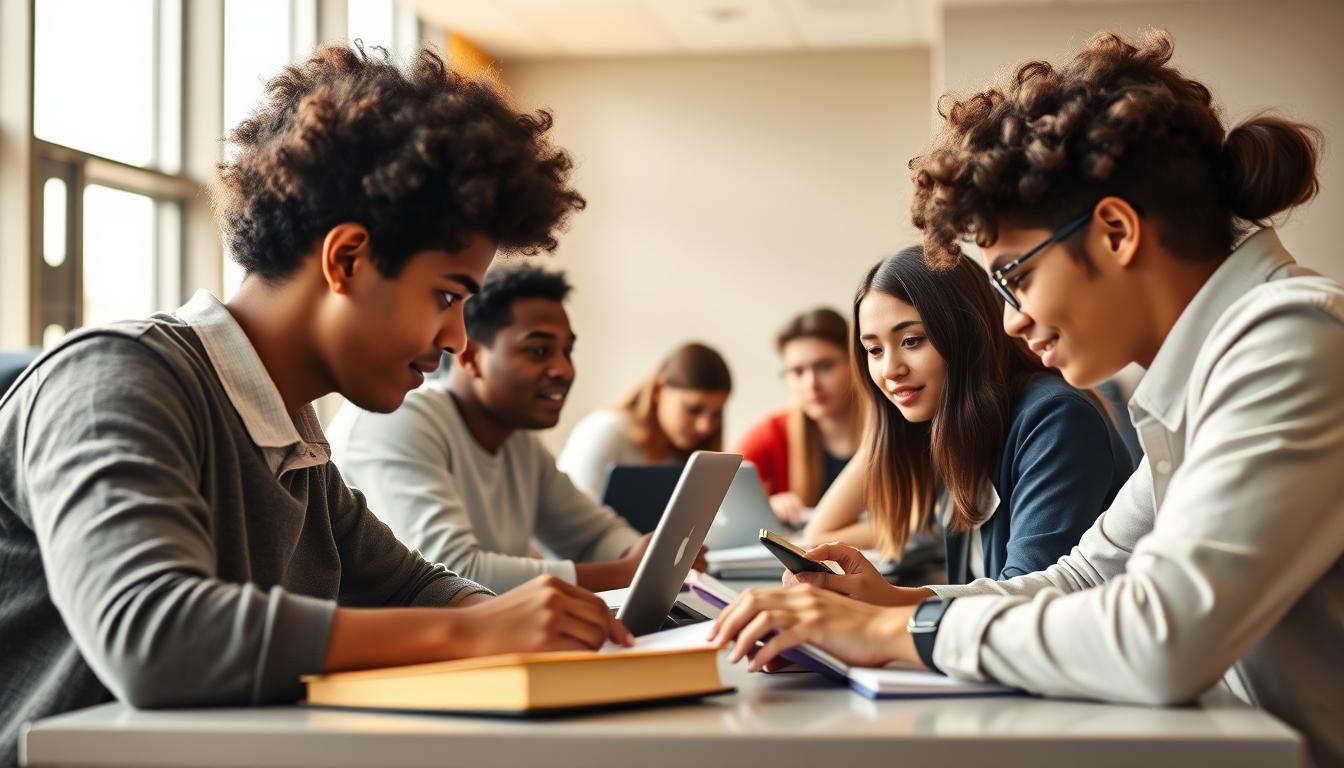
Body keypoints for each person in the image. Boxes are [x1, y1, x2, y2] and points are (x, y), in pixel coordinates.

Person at [710, 30, 1343, 768]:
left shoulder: (1291, 340)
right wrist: (892, 603)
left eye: (1015, 275)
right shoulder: (1204, 373)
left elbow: (1161, 638)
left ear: (1114, 231)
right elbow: (1081, 577)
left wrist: (892, 638)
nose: (1009, 317)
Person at [0, 43, 632, 765]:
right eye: (448, 296)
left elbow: (408, 585)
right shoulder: (115, 379)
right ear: (347, 259)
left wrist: (518, 618)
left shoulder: (293, 439)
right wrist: (479, 633)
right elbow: (155, 636)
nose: (458, 339)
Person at [329, 264, 698, 594]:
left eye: (567, 352)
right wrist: (621, 574)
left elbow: (594, 534)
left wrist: (649, 561)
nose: (563, 370)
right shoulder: (399, 418)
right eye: (539, 351)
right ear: (471, 356)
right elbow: (454, 573)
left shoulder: (519, 441)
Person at [815, 247, 1133, 585]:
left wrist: (881, 611)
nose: (890, 369)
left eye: (911, 341)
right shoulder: (954, 425)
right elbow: (819, 533)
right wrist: (891, 417)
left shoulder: (1055, 419)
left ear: (968, 333)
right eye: (874, 350)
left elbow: (1022, 598)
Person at [736, 309, 862, 527]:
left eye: (825, 367)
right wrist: (766, 509)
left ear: (855, 362)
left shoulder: (893, 427)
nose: (811, 384)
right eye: (797, 371)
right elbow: (725, 507)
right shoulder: (770, 435)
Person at [557, 342, 732, 499]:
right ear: (659, 391)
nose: (705, 426)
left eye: (716, 414)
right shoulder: (602, 431)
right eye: (693, 409)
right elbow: (565, 522)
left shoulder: (691, 456)